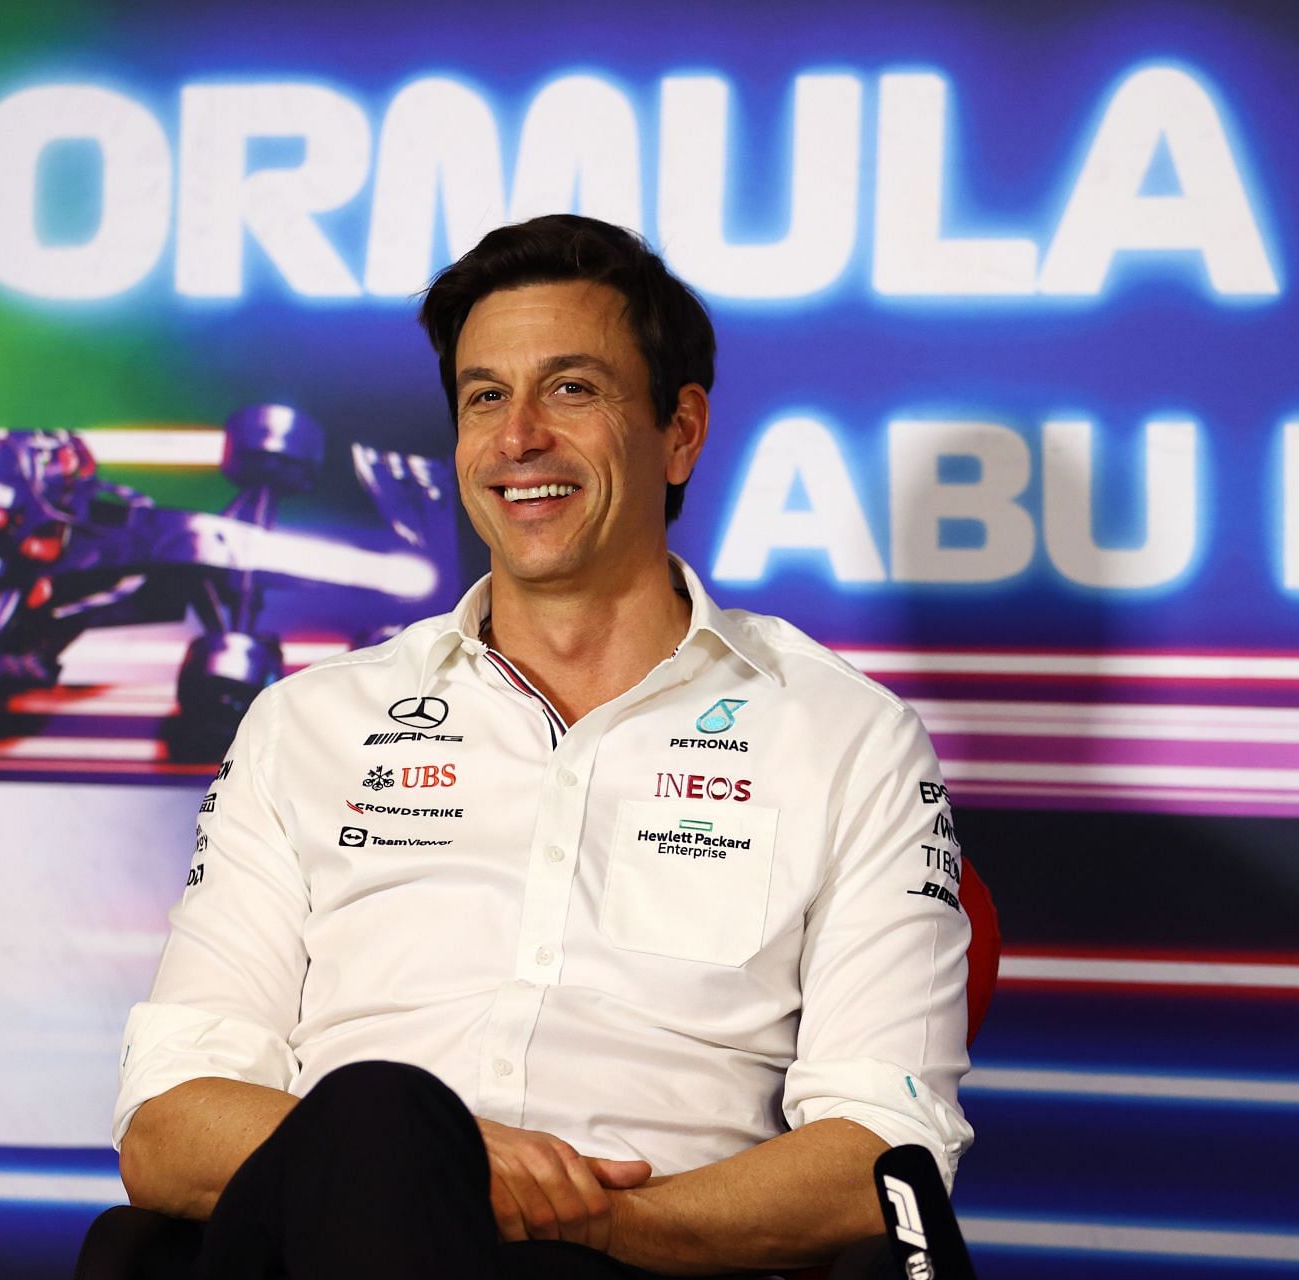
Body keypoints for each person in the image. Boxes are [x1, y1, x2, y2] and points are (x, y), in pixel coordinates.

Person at [112, 214, 975, 1278]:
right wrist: (428, 1161)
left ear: (681, 430)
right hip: (328, 1226)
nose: (518, 437)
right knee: (380, 1112)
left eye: (571, 388)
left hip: (649, 1259)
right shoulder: (306, 725)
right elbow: (168, 1123)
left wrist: (596, 1220)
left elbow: (884, 1151)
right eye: (485, 396)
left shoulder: (847, 738)